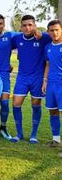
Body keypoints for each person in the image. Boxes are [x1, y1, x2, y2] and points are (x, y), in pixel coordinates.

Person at [10, 15, 51, 144]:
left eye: (30, 25)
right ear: (20, 27)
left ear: (34, 25)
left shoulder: (43, 37)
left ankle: (33, 135)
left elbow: (57, 36)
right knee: (16, 104)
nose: (27, 28)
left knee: (36, 105)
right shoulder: (16, 38)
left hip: (37, 77)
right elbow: (3, 47)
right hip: (22, 77)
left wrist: (41, 32)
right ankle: (19, 134)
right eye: (24, 25)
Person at [43, 19, 62, 147]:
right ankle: (56, 139)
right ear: (48, 32)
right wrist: (45, 81)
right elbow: (48, 65)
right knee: (53, 111)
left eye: (57, 30)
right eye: (52, 30)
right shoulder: (48, 47)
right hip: (51, 84)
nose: (54, 33)